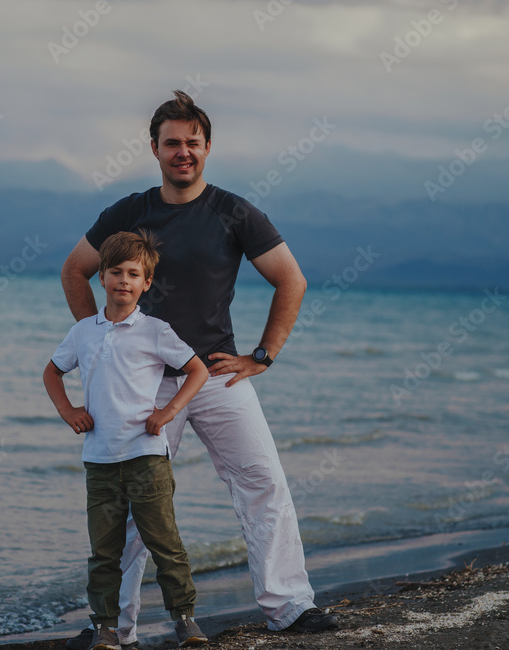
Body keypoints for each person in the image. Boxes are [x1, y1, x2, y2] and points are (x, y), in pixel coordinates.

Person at [61, 90, 337, 650]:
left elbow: (292, 279)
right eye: (172, 143)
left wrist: (262, 355)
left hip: (215, 374)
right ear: (155, 149)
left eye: (192, 142)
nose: (182, 152)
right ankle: (117, 628)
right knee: (137, 504)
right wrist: (102, 345)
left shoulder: (234, 211)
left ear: (207, 147)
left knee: (262, 482)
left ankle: (289, 606)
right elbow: (75, 270)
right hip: (143, 388)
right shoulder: (130, 211)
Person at [44, 230, 211, 650]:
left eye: (133, 274)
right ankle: (105, 628)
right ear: (100, 277)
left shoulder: (155, 330)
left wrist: (167, 413)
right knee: (104, 552)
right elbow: (51, 372)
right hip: (99, 460)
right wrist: (70, 412)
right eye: (115, 271)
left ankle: (186, 621)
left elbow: (198, 371)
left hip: (146, 456)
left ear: (146, 282)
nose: (124, 280)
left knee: (164, 544)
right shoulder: (83, 331)